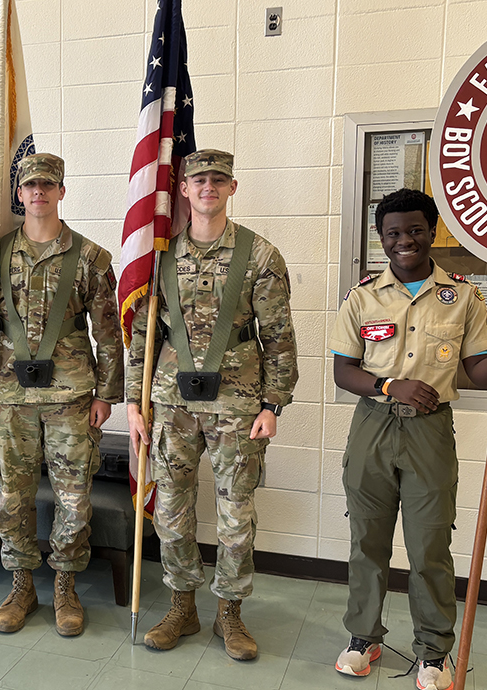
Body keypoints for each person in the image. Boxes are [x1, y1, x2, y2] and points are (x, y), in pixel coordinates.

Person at [328, 188, 487, 690]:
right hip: (373, 426)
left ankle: (434, 652)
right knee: (367, 541)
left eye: (415, 229)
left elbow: (480, 372)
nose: (405, 240)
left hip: (430, 431)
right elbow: (343, 371)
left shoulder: (462, 296)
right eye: (393, 233)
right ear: (380, 237)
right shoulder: (362, 297)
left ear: (433, 231)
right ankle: (363, 638)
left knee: (430, 546)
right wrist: (389, 385)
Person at [127, 149, 299, 660]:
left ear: (232, 187)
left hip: (237, 405)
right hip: (169, 403)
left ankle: (230, 612)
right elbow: (142, 338)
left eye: (218, 180)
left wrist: (273, 404)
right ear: (183, 188)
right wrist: (134, 403)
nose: (208, 187)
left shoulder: (261, 256)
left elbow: (280, 336)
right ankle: (182, 606)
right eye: (199, 179)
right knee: (171, 512)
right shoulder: (158, 259)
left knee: (235, 516)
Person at [0, 153, 124, 637]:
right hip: (9, 398)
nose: (39, 192)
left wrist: (107, 394)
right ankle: (21, 586)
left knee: (74, 498)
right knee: (12, 497)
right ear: (19, 193)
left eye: (48, 185)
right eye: (30, 185)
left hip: (71, 397)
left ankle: (65, 587)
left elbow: (109, 332)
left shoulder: (91, 259)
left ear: (61, 191)